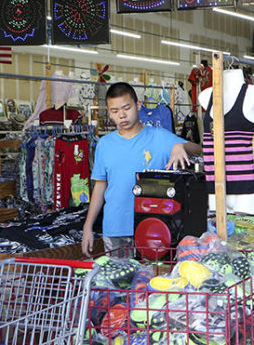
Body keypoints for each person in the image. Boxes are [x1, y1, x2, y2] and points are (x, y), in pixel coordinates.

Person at [82, 83, 203, 256]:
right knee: (118, 280)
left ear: (138, 105)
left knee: (151, 280)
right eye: (115, 111)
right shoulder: (104, 144)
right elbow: (100, 187)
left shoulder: (160, 137)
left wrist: (179, 146)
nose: (122, 115)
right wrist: (87, 227)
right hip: (115, 228)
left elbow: (199, 149)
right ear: (109, 112)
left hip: (153, 228)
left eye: (126, 108)